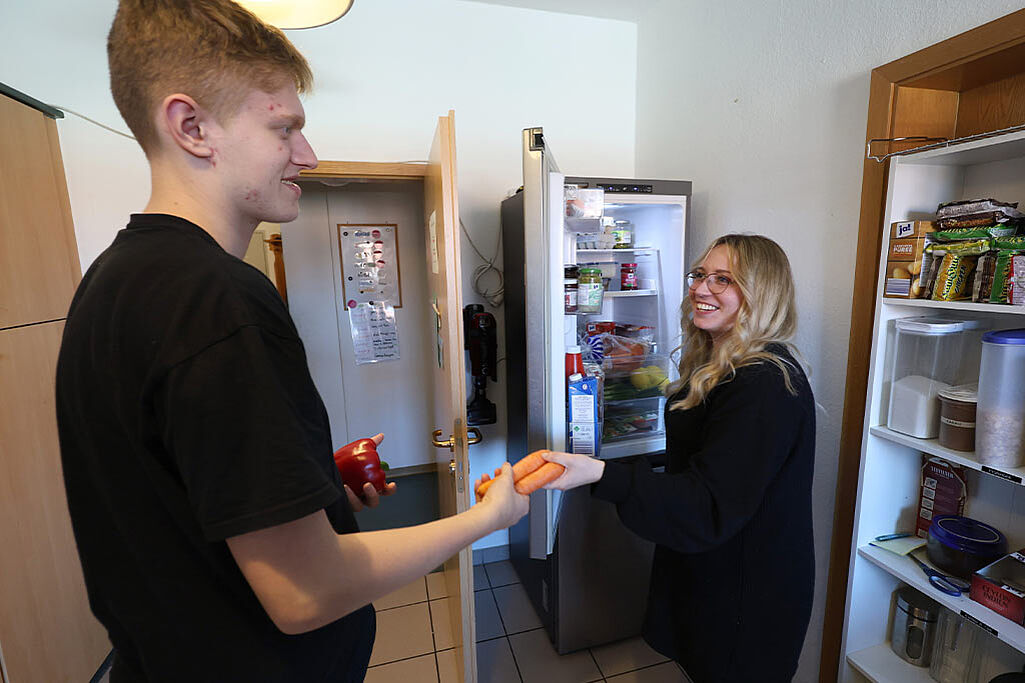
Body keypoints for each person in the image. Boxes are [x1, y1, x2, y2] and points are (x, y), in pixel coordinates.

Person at [55, 2, 527, 681]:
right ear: (191, 126)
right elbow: (304, 593)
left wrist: (312, 482)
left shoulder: (116, 279)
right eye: (285, 128)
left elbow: (175, 492)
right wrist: (487, 516)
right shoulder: (217, 299)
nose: (306, 154)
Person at [542, 234, 815, 683]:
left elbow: (705, 504)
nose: (701, 289)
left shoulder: (762, 384)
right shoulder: (723, 364)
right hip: (716, 567)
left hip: (749, 588)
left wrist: (599, 474)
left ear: (762, 293)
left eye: (723, 280)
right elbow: (707, 462)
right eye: (700, 275)